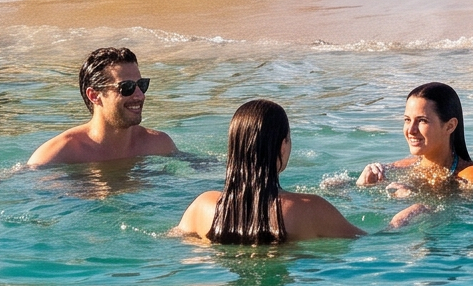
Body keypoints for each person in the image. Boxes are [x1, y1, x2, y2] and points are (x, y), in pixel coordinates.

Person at [177, 100, 361, 244]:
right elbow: (368, 240)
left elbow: (174, 239)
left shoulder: (202, 206)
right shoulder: (310, 207)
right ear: (282, 146)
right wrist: (391, 223)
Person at [358, 82, 473, 225]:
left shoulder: (470, 174)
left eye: (422, 121)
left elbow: (461, 213)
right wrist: (363, 181)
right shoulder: (403, 166)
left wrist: (417, 202)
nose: (411, 130)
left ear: (450, 126)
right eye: (407, 120)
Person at [30, 46, 178, 167]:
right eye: (127, 87)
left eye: (142, 85)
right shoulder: (59, 155)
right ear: (94, 96)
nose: (140, 95)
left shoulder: (158, 145)